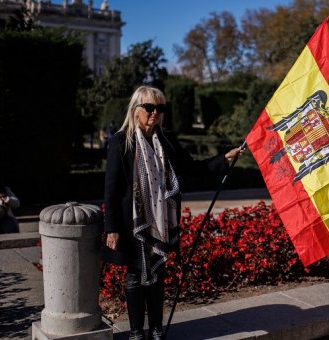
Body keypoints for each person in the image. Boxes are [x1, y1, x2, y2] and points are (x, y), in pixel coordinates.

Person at [104, 86, 243, 340]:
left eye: (160, 108)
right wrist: (111, 227)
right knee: (134, 275)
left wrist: (224, 159)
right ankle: (136, 332)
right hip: (132, 221)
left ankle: (156, 329)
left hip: (161, 220)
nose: (155, 113)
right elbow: (111, 189)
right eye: (149, 108)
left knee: (157, 273)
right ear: (136, 110)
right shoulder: (121, 141)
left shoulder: (166, 140)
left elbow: (191, 168)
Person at [0, 169, 20, 234]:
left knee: (9, 228)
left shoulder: (5, 190)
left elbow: (17, 204)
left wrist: (2, 196)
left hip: (5, 219)